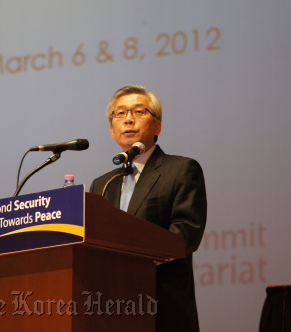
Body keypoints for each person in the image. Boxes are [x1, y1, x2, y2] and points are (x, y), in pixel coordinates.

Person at [89, 85, 207, 332]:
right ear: (111, 130)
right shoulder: (102, 184)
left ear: (157, 126)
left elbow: (185, 235)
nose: (128, 119)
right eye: (120, 114)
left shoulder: (181, 169)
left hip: (163, 306)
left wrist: (131, 262)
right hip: (111, 308)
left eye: (139, 111)